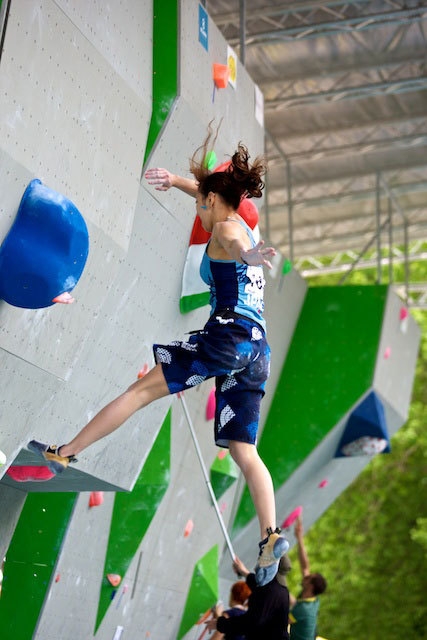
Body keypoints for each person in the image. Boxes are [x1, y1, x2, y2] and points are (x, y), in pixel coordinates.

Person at [28, 124, 288, 585]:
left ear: (211, 203)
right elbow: (218, 208)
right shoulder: (234, 216)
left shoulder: (232, 230)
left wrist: (247, 257)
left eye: (198, 203)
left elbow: (231, 239)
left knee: (142, 391)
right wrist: (179, 182)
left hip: (227, 338)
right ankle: (270, 534)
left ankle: (66, 452)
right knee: (245, 449)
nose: (198, 210)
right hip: (257, 348)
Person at [206, 555, 290, 640]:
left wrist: (221, 623)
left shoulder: (272, 592)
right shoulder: (280, 591)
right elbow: (259, 587)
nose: (256, 568)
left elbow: (252, 622)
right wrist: (243, 572)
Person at [289, 516, 327, 640]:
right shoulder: (313, 600)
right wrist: (299, 537)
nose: (306, 575)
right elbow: (305, 566)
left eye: (309, 577)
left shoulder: (303, 609)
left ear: (310, 586)